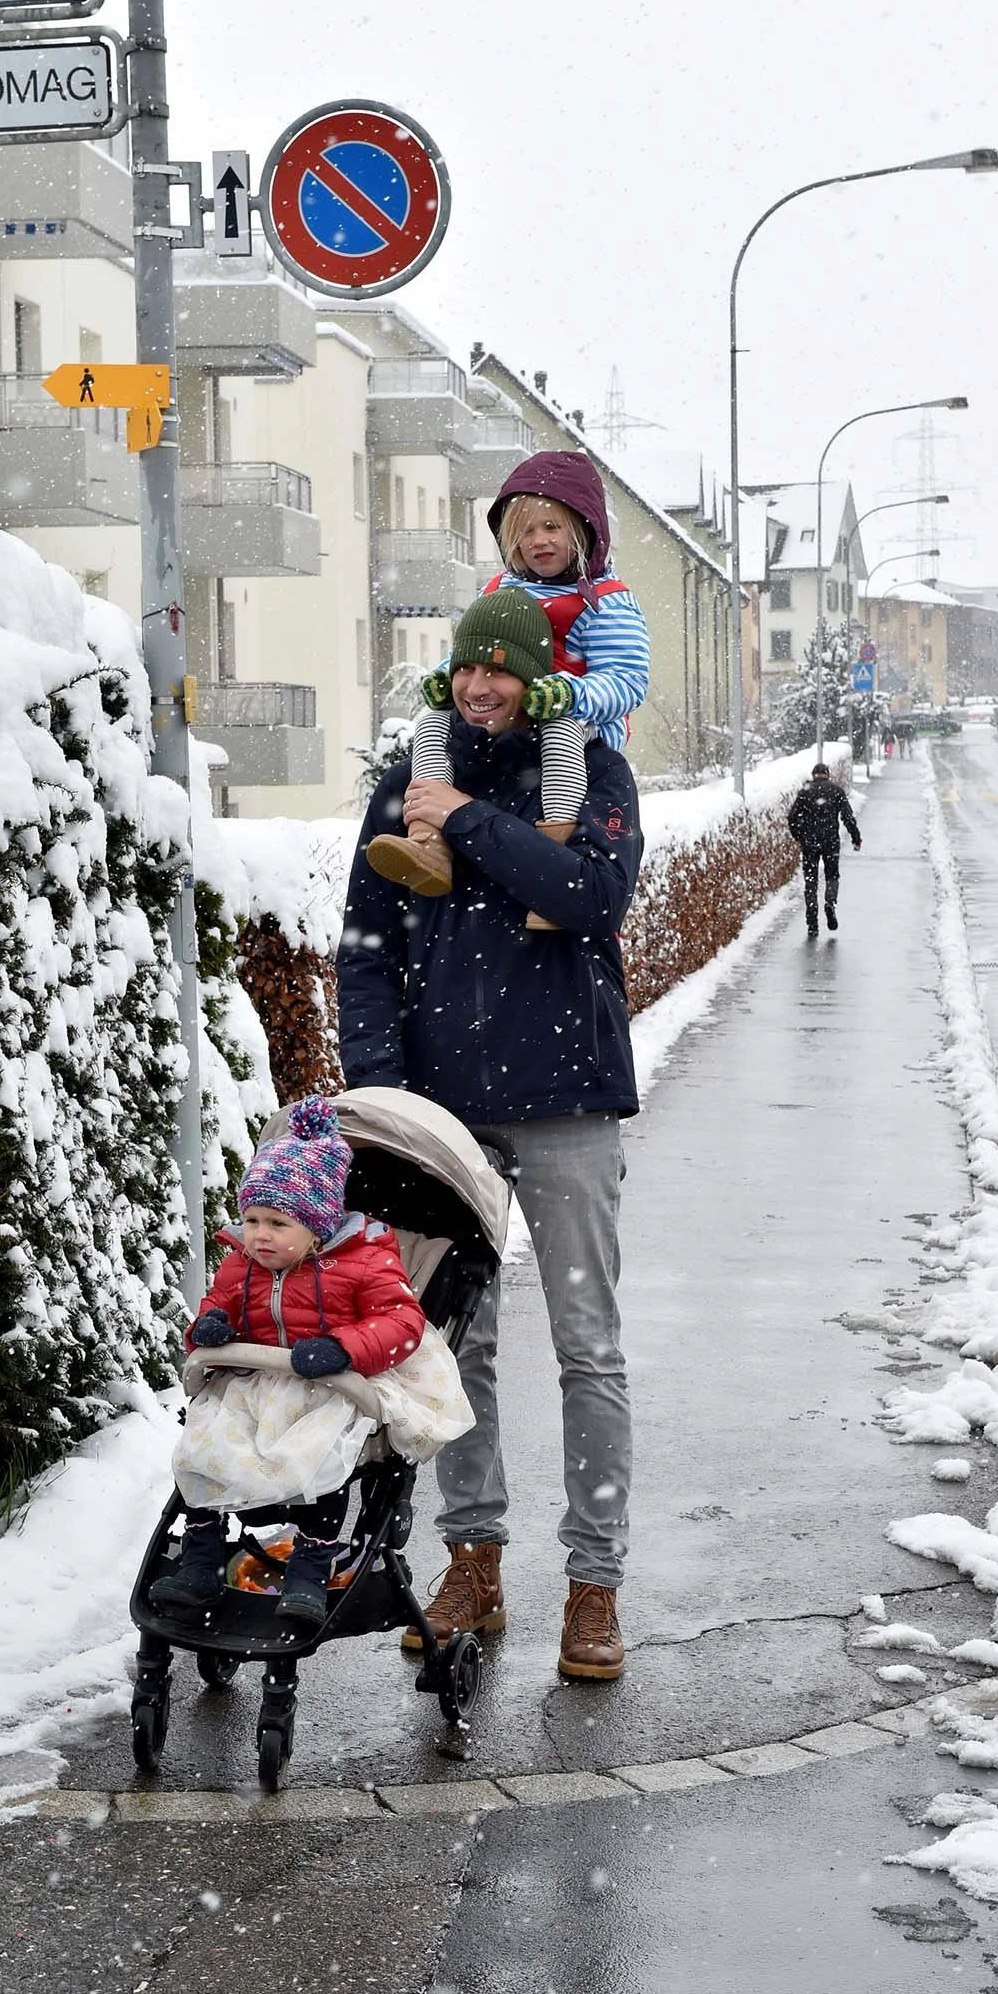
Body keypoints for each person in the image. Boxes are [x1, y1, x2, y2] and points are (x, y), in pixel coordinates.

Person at [338, 586, 644, 1680]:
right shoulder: (403, 780)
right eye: (467, 669)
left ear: (534, 677)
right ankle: (473, 1561)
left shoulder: (592, 773)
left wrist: (464, 819)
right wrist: (382, 1093)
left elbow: (588, 894)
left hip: (565, 1097)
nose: (479, 687)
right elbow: (366, 945)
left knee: (586, 1349)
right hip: (442, 1114)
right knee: (447, 1348)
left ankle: (592, 1582)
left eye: (501, 670)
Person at [151, 1097, 470, 1628]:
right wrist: (207, 1328)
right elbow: (216, 1307)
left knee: (317, 1463)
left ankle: (309, 1568)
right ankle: (200, 1562)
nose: (259, 1236)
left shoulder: (366, 1261)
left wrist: (345, 1347)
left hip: (330, 1385)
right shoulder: (241, 1263)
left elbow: (401, 1323)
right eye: (251, 1220)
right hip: (255, 1381)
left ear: (318, 1225)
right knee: (201, 1447)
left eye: (277, 1223)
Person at [365, 451, 649, 932]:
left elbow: (626, 679)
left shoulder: (605, 600)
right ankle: (428, 842)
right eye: (524, 531)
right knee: (431, 723)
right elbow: (473, 650)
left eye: (551, 528)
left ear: (583, 530)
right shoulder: (498, 588)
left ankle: (554, 859)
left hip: (578, 721)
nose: (538, 541)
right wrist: (442, 677)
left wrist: (567, 695)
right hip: (505, 726)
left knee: (559, 736)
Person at [787, 761, 861, 938]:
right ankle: (830, 902)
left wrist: (799, 835)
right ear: (828, 774)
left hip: (810, 843)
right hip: (831, 842)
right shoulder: (836, 790)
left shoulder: (805, 791)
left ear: (813, 775)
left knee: (810, 881)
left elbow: (792, 817)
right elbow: (847, 816)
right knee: (832, 875)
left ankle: (812, 922)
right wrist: (856, 837)